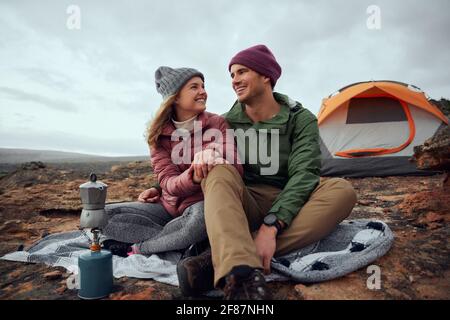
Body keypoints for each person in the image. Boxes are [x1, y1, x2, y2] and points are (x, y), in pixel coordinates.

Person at [176, 45, 357, 300]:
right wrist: (159, 186)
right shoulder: (224, 121)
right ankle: (242, 276)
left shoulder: (300, 118)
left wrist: (271, 226)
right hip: (242, 203)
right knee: (216, 170)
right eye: (232, 75)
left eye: (242, 72)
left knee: (342, 190)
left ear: (266, 76)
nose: (235, 80)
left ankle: (217, 262)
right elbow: (189, 159)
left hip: (290, 203)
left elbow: (304, 173)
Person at [101, 66, 242, 257]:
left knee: (201, 219)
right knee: (100, 215)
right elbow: (168, 182)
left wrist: (212, 152)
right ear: (175, 97)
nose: (203, 92)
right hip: (167, 207)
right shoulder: (157, 135)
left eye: (203, 86)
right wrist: (192, 176)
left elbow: (233, 159)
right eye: (194, 87)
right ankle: (177, 240)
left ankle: (138, 248)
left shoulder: (217, 123)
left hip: (200, 205)